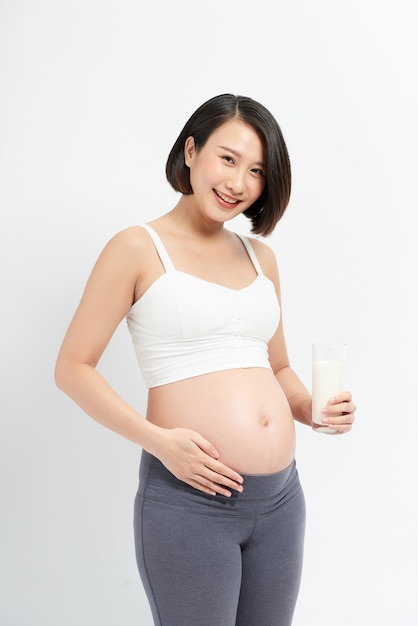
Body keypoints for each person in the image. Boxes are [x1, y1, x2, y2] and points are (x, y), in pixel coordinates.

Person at [55, 93, 356, 626]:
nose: (238, 182)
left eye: (257, 170)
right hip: (189, 501)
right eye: (228, 158)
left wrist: (314, 409)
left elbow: (278, 369)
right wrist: (160, 442)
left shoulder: (259, 256)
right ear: (191, 151)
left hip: (282, 501)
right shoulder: (136, 247)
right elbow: (73, 368)